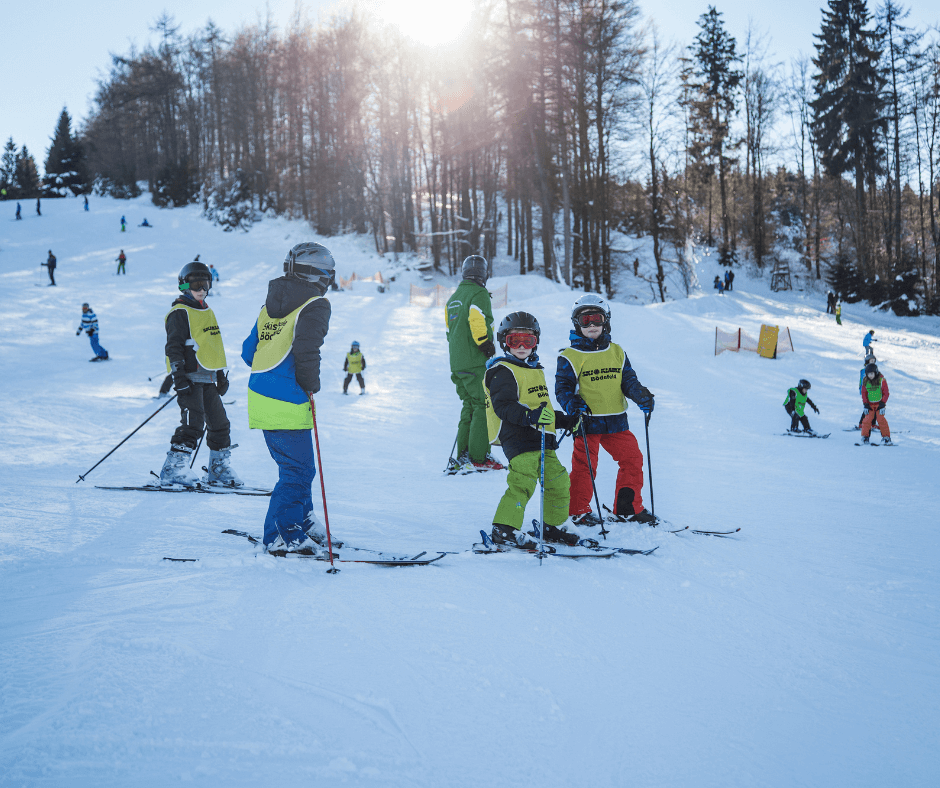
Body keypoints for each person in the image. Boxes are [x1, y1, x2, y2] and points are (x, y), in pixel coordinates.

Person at [242, 242, 335, 554]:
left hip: (261, 396)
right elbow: (307, 350)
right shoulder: (315, 305)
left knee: (298, 469)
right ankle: (283, 534)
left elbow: (247, 352)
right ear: (318, 275)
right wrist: (311, 384)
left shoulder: (268, 306)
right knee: (297, 471)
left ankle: (302, 521)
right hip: (289, 398)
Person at [555, 294, 656, 525]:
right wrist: (572, 405)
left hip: (616, 421)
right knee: (585, 468)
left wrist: (640, 394)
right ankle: (578, 510)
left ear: (606, 321)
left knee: (632, 459)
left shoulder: (617, 352)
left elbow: (628, 380)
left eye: (596, 319)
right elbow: (563, 389)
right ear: (576, 323)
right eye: (585, 320)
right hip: (587, 422)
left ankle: (627, 508)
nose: (591, 325)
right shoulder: (570, 356)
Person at [484, 312, 582, 548]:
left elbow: (542, 410)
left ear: (536, 342)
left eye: (528, 341)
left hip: (541, 439)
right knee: (523, 482)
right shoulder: (503, 370)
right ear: (503, 341)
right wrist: (529, 416)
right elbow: (504, 407)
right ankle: (504, 528)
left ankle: (553, 525)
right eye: (514, 340)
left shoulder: (534, 370)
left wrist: (564, 420)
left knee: (558, 481)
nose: (521, 346)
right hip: (517, 437)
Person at [159, 260, 240, 488]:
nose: (202, 290)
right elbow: (173, 347)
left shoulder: (207, 311)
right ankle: (173, 469)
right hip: (190, 378)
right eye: (196, 285)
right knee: (192, 425)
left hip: (208, 379)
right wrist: (179, 378)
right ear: (184, 286)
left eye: (205, 284)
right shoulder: (179, 312)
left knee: (220, 424)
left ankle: (218, 468)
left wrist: (220, 375)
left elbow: (213, 345)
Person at [445, 254, 504, 471]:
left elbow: (449, 331)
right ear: (484, 274)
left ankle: (464, 453)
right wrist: (485, 344)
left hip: (457, 362)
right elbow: (477, 319)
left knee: (469, 404)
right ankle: (479, 457)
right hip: (474, 360)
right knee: (482, 404)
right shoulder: (478, 293)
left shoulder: (454, 298)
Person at [860, 363, 891, 445]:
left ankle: (886, 438)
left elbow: (886, 393)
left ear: (875, 372)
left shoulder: (881, 380)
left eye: (871, 373)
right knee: (867, 420)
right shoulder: (865, 381)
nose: (870, 376)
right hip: (870, 405)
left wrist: (883, 403)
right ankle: (865, 437)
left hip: (879, 405)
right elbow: (864, 393)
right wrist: (865, 404)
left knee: (881, 420)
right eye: (868, 374)